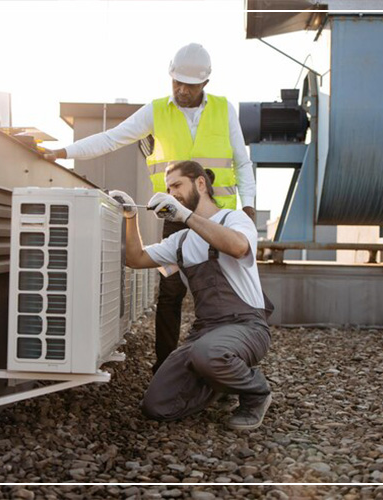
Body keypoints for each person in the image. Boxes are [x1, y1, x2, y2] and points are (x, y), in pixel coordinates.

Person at [44, 43, 257, 373]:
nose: (181, 90)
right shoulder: (156, 110)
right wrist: (63, 152)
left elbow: (243, 163)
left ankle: (231, 363)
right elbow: (112, 138)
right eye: (176, 82)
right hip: (174, 219)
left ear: (205, 84)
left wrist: (249, 209)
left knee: (223, 292)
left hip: (219, 219)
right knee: (170, 291)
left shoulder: (223, 109)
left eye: (189, 84)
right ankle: (165, 367)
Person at [109, 160, 273, 430]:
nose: (171, 193)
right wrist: (130, 217)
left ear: (200, 184)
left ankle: (256, 393)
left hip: (246, 326)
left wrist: (185, 215)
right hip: (205, 332)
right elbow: (136, 258)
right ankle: (221, 382)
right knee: (156, 406)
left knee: (208, 353)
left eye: (176, 185)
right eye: (168, 188)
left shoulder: (233, 218)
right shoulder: (181, 240)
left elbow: (238, 247)